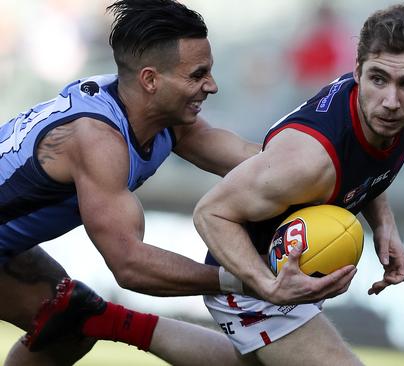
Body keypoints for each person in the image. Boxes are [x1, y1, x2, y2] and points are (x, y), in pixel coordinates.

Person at [0, 1, 353, 365]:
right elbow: (130, 265)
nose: (211, 86)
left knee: (67, 326)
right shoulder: (97, 139)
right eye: (197, 75)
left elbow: (266, 165)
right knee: (69, 320)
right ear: (150, 80)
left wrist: (354, 176)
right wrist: (250, 279)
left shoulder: (157, 114)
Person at [193, 3, 404, 364]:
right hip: (253, 280)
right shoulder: (306, 163)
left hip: (294, 271)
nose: (391, 101)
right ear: (356, 71)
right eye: (378, 79)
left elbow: (367, 156)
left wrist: (384, 223)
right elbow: (210, 212)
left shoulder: (403, 110)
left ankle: (125, 325)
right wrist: (267, 286)